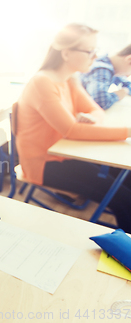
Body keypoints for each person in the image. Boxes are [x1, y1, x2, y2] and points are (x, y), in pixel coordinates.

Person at [16, 23, 131, 233]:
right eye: (90, 51)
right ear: (66, 53)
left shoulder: (70, 79)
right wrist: (127, 131)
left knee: (128, 178)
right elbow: (72, 130)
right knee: (124, 200)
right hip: (44, 162)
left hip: (68, 153)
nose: (95, 56)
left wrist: (89, 117)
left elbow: (97, 110)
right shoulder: (43, 82)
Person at [80, 44, 131, 109]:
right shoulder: (102, 70)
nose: (128, 75)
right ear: (129, 59)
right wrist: (118, 94)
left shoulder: (111, 65)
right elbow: (100, 102)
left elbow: (126, 83)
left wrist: (126, 89)